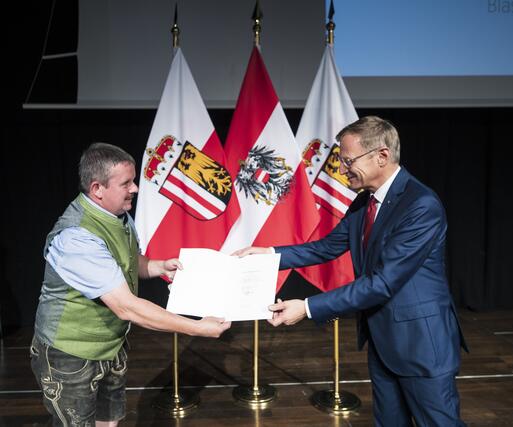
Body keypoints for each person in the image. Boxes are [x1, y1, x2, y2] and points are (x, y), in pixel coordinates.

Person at [235, 116, 468, 426]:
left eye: (347, 160)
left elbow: (383, 283)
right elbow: (326, 248)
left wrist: (307, 307)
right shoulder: (364, 203)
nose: (342, 169)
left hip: (420, 344)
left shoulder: (420, 205)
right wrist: (269, 254)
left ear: (382, 156)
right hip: (382, 341)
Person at [30, 142, 231, 426]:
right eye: (126, 183)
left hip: (110, 345)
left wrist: (158, 266)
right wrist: (198, 327)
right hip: (71, 355)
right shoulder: (77, 238)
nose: (135, 188)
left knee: (108, 421)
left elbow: (124, 261)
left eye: (133, 180)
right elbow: (128, 308)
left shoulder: (117, 215)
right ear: (97, 189)